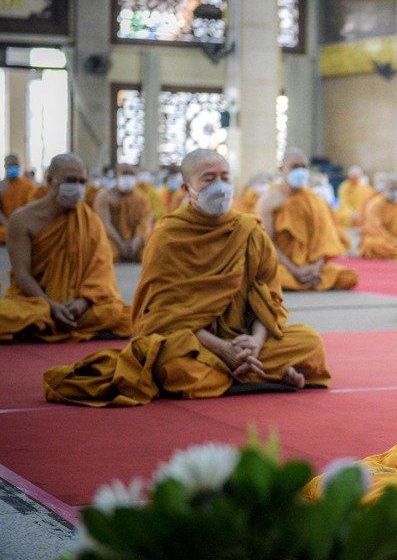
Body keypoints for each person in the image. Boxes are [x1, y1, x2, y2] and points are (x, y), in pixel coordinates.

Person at [43, 149, 331, 407]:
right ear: (186, 187)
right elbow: (164, 313)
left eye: (224, 177)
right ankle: (263, 375)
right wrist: (223, 350)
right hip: (196, 342)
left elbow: (267, 299)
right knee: (173, 364)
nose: (219, 185)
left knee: (309, 342)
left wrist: (254, 342)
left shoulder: (248, 230)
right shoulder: (168, 236)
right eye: (208, 178)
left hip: (243, 339)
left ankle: (244, 372)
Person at [0, 153, 132, 342]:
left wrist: (83, 301)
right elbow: (22, 275)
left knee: (116, 313)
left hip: (78, 306)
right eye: (71, 180)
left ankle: (47, 325)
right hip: (36, 302)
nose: (78, 188)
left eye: (82, 181)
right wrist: (51, 305)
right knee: (10, 315)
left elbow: (101, 271)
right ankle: (49, 320)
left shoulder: (90, 221)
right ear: (49, 180)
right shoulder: (21, 220)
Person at [257, 148, 358, 292]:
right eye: (295, 167)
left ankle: (309, 278)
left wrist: (315, 268)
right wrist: (295, 270)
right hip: (283, 264)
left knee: (348, 277)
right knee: (264, 276)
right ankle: (300, 279)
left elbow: (324, 240)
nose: (300, 171)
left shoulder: (314, 199)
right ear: (281, 169)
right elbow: (267, 243)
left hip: (312, 264)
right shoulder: (268, 200)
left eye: (304, 167)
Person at [94, 163, 153, 262]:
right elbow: (105, 224)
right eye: (124, 173)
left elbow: (144, 222)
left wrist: (135, 242)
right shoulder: (104, 196)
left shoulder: (141, 198)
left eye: (131, 174)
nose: (128, 177)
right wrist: (121, 244)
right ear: (115, 175)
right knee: (107, 254)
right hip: (113, 239)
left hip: (136, 240)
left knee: (150, 254)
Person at [0, 154, 40, 244]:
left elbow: (33, 206)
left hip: (24, 222)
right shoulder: (1, 186)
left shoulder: (27, 185)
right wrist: (8, 224)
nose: (14, 167)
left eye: (16, 165)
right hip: (6, 224)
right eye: (11, 165)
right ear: (5, 166)